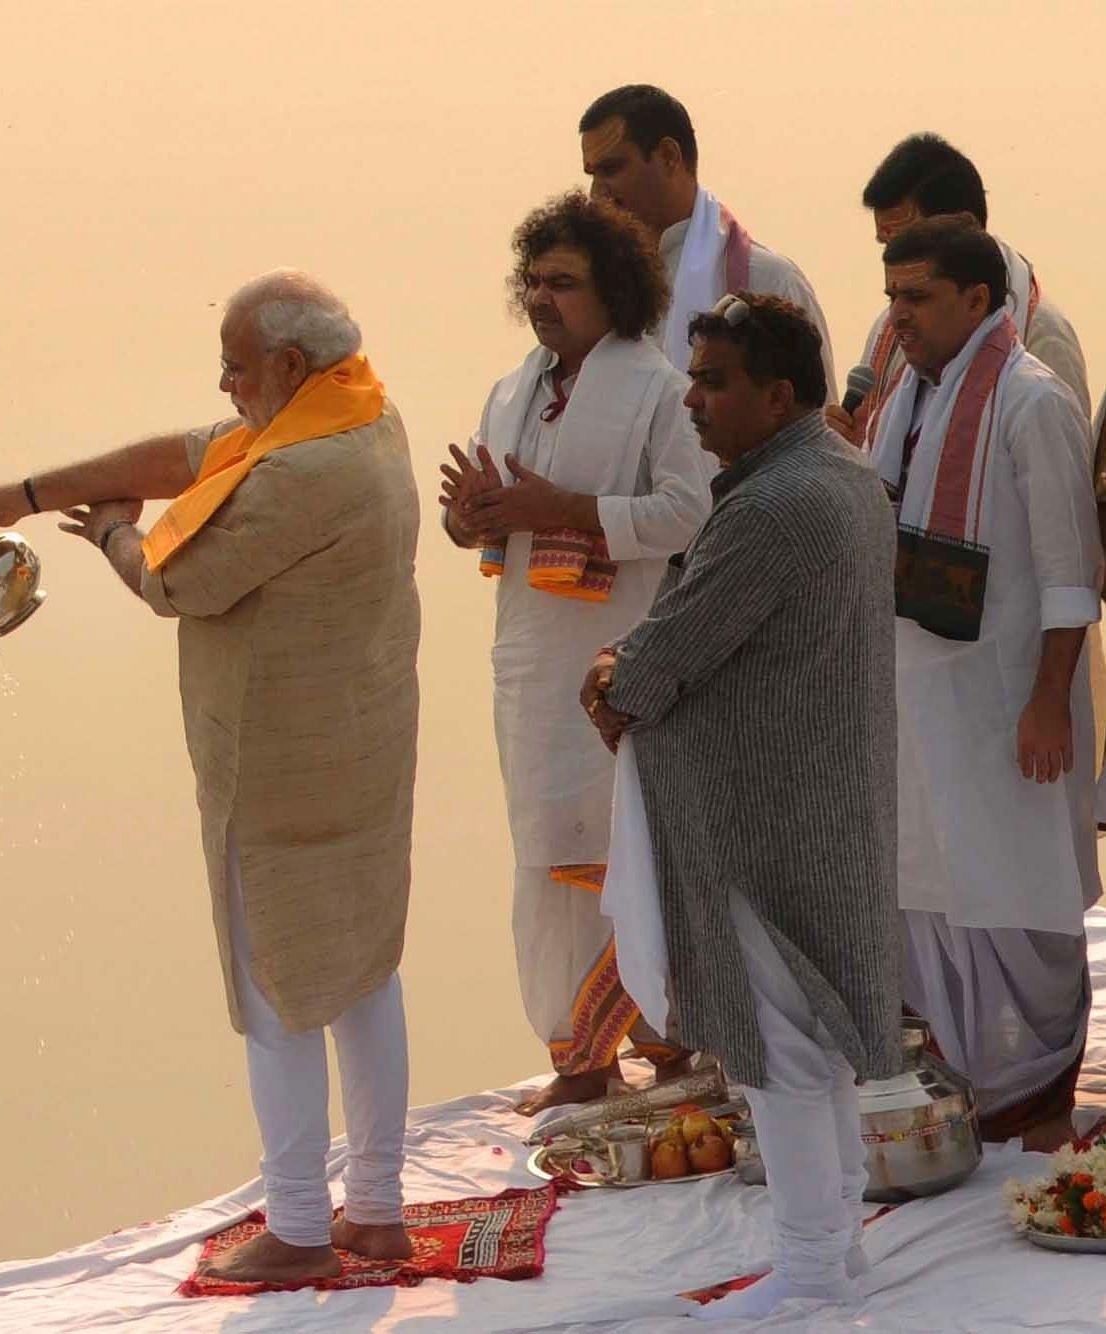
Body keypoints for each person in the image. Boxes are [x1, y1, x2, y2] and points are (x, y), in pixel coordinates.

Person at [0, 271, 421, 1284]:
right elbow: (188, 454)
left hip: (279, 773)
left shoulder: (296, 473)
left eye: (237, 367)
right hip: (362, 753)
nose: (225, 384)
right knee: (363, 972)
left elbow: (177, 577)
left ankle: (296, 1226)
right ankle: (375, 1206)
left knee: (277, 989)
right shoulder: (362, 417)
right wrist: (23, 494)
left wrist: (112, 529)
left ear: (288, 366)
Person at [582, 292, 903, 1319]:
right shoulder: (840, 473)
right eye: (694, 378)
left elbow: (659, 660)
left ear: (776, 394)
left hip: (759, 816)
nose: (693, 401)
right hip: (818, 794)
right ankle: (838, 1240)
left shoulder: (772, 505)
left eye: (713, 382)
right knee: (811, 1025)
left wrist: (609, 677)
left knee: (781, 1042)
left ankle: (812, 1259)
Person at [441, 192, 711, 1115]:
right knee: (545, 853)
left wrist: (563, 511)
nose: (542, 297)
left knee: (625, 851)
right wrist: (468, 514)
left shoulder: (661, 388)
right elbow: (487, 523)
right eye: (535, 280)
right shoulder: (513, 387)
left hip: (621, 658)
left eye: (564, 282)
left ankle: (635, 1049)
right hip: (526, 657)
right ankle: (585, 1047)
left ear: (615, 291)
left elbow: (694, 515)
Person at [862, 219, 1102, 1148]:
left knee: (1017, 896)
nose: (899, 317)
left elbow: (1068, 571)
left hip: (1005, 704)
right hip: (914, 700)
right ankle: (961, 1088)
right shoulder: (902, 398)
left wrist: (1050, 700)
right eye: (892, 297)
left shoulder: (1032, 403)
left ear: (976, 299)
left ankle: (1036, 1093)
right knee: (926, 888)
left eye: (917, 297)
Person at [831, 133, 1088, 443]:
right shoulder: (889, 329)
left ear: (963, 226)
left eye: (909, 243)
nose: (894, 263)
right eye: (887, 246)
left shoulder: (1042, 335)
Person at [579, 84, 833, 386]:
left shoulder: (767, 279)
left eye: (611, 169)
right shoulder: (594, 284)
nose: (597, 194)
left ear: (669, 156)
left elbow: (813, 424)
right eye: (592, 174)